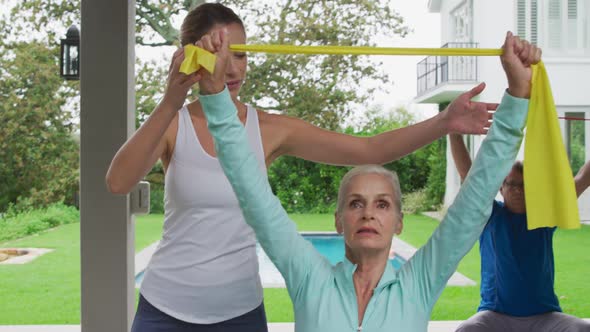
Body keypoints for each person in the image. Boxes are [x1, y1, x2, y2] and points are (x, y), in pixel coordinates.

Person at [106, 3, 498, 331]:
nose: (233, 69)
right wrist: (170, 100)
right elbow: (119, 181)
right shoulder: (174, 123)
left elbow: (368, 149)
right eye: (221, 56)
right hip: (165, 307)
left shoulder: (271, 130)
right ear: (193, 56)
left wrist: (444, 122)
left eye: (240, 55)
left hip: (238, 312)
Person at [197, 27, 540, 331]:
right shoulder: (310, 278)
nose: (368, 213)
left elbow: (475, 199)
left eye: (383, 204)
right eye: (356, 203)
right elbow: (252, 191)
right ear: (338, 221)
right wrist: (214, 97)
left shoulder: (419, 283)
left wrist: (518, 95)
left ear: (399, 223)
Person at [451, 130, 590, 330]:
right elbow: (468, 176)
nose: (518, 190)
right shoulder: (490, 215)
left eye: (524, 185)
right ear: (501, 187)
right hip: (496, 315)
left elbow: (583, 178)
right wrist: (454, 133)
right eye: (512, 184)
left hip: (543, 315)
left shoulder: (544, 216)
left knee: (581, 329)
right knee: (467, 330)